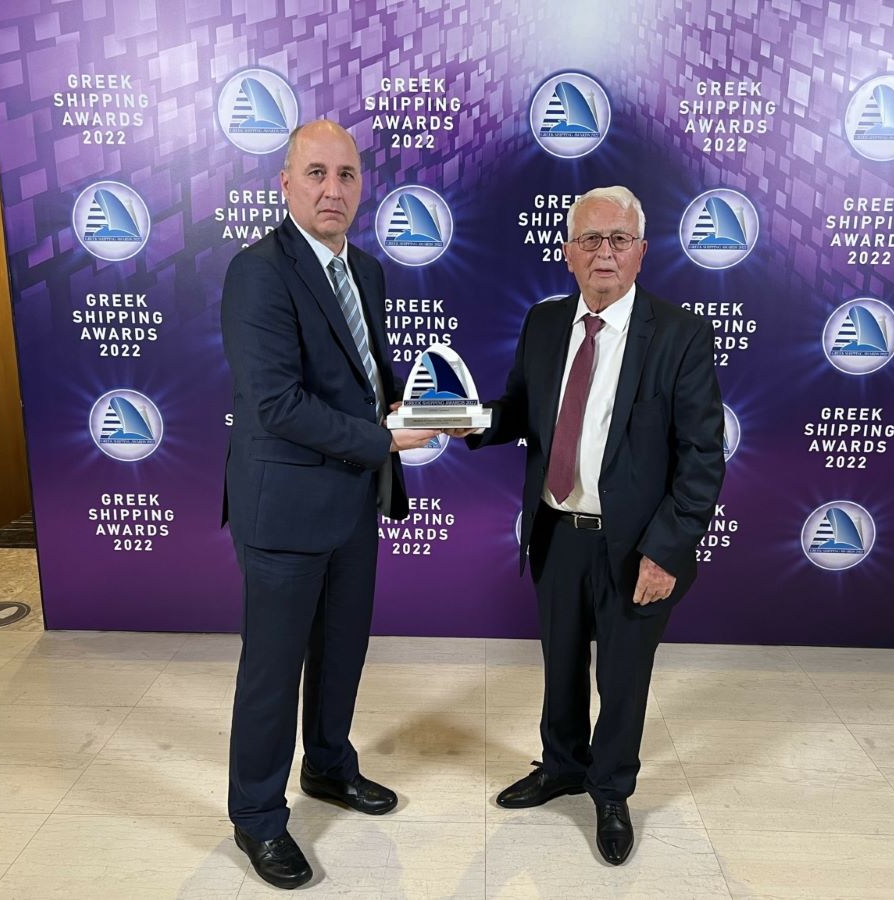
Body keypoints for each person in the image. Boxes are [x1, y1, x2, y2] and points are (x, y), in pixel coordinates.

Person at [461, 186, 725, 865]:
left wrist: (667, 551)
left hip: (636, 546)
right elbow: (519, 409)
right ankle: (562, 766)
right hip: (556, 530)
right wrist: (461, 420)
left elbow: (702, 456)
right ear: (568, 252)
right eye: (590, 239)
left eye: (618, 239)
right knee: (561, 663)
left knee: (623, 677)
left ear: (641, 252)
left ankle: (610, 790)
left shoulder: (681, 334)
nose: (604, 252)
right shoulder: (545, 323)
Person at [220, 119, 438, 889]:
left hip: (352, 501)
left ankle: (328, 766)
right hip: (283, 508)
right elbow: (277, 404)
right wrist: (384, 438)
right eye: (316, 173)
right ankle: (256, 816)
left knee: (342, 650)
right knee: (273, 671)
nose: (333, 189)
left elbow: (362, 375)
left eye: (346, 175)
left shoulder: (365, 270)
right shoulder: (258, 273)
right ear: (286, 184)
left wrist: (411, 406)